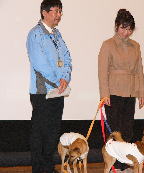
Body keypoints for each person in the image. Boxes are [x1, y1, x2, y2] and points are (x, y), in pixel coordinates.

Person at [98, 9, 144, 172]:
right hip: (113, 92)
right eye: (123, 28)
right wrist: (104, 94)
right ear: (116, 26)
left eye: (129, 29)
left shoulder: (136, 46)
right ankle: (114, 166)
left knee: (128, 130)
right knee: (115, 131)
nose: (126, 32)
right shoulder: (108, 44)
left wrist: (141, 92)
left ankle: (124, 164)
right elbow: (102, 71)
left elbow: (139, 70)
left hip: (130, 92)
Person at [26, 0, 72, 173]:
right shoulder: (35, 34)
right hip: (42, 92)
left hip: (58, 91)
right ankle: (39, 170)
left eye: (61, 12)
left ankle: (48, 168)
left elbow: (67, 59)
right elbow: (40, 64)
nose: (59, 15)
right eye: (56, 11)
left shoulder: (57, 35)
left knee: (53, 133)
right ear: (44, 12)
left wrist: (65, 78)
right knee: (40, 134)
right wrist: (57, 81)